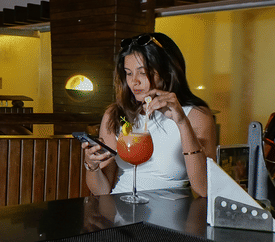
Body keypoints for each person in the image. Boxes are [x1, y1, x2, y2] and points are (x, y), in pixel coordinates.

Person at [82, 32, 217, 198]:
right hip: (120, 208)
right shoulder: (116, 114)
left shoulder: (196, 115)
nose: (134, 81)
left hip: (171, 214)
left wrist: (182, 123)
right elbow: (101, 190)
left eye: (143, 72)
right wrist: (92, 165)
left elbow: (204, 189)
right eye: (129, 73)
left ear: (166, 71)